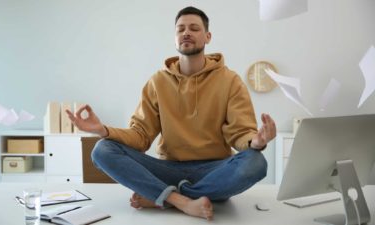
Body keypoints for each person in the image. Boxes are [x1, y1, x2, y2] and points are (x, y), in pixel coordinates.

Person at [66, 6, 276, 221]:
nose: (186, 33)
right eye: (180, 29)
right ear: (175, 38)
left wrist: (255, 142)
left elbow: (240, 133)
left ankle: (165, 197)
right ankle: (183, 201)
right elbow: (140, 136)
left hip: (214, 170)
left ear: (207, 36)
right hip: (167, 169)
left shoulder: (230, 81)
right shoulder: (157, 82)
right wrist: (103, 130)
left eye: (194, 28)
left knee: (256, 162)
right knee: (102, 149)